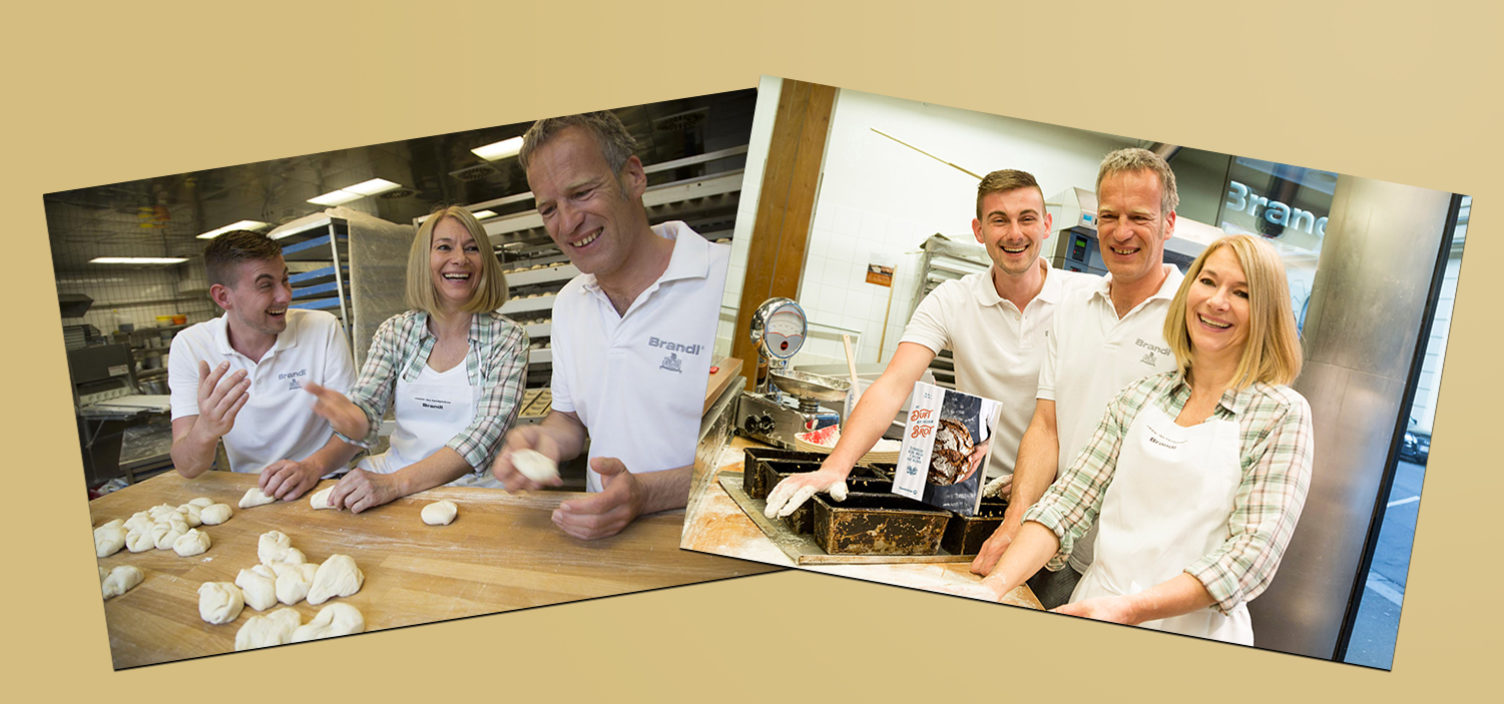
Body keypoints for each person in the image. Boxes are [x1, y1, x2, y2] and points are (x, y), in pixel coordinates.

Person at [959, 235, 1313, 646]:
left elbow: (1250, 558)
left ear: (1267, 313)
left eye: (1242, 293)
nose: (1217, 301)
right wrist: (992, 588)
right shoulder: (1140, 397)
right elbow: (1066, 504)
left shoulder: (1280, 414)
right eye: (1209, 282)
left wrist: (1129, 609)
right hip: (1094, 610)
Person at [762, 169, 1091, 518]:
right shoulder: (951, 301)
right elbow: (893, 385)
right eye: (999, 220)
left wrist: (1040, 482)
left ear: (1046, 225)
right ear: (979, 230)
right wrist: (836, 466)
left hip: (1060, 493)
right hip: (977, 490)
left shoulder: (1084, 299)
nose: (1014, 233)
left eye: (1027, 219)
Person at [489, 111, 730, 540]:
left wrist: (648, 494)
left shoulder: (729, 282)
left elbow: (757, 456)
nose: (566, 224)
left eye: (581, 193)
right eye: (548, 209)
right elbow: (571, 420)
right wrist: (547, 440)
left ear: (633, 177)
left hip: (708, 537)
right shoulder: (569, 304)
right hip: (602, 542)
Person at [971, 148, 1187, 608]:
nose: (1121, 232)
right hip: (1058, 552)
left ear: (1169, 223)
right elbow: (1047, 426)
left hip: (1142, 575)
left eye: (1139, 216)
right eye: (1109, 215)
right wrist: (1016, 522)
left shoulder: (1193, 320)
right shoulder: (1073, 309)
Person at [302, 206, 528, 513]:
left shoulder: (507, 338)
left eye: (472, 248)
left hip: (474, 493)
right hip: (393, 480)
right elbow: (365, 409)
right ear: (424, 260)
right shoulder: (396, 332)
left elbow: (482, 438)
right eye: (444, 247)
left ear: (485, 261)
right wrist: (351, 424)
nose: (460, 258)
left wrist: (396, 484)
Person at [168, 230, 359, 501]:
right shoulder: (190, 346)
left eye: (285, 279)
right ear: (223, 297)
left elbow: (354, 428)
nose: (285, 296)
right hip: (251, 491)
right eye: (266, 285)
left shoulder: (322, 328)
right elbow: (187, 467)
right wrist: (206, 430)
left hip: (325, 481)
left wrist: (312, 466)